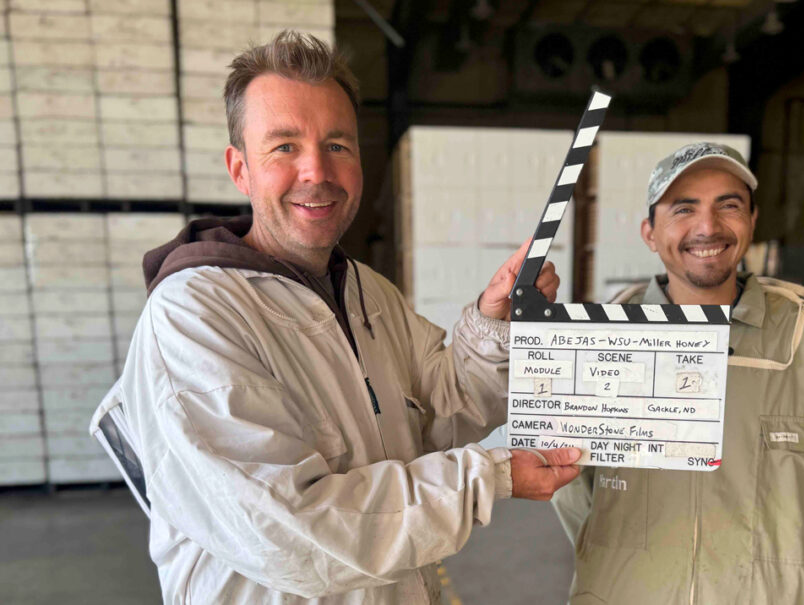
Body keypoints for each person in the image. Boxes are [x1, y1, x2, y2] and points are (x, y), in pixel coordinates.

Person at [104, 31, 581, 604]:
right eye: (284, 147)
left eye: (338, 145)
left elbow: (442, 410)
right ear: (240, 169)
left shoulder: (367, 292)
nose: (317, 171)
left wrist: (493, 322)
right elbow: (290, 531)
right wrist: (492, 475)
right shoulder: (194, 315)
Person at [551, 142, 804, 604]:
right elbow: (573, 483)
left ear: (752, 222)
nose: (707, 227)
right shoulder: (607, 333)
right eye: (684, 208)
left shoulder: (798, 337)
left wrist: (781, 571)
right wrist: (613, 555)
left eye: (728, 205)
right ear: (650, 233)